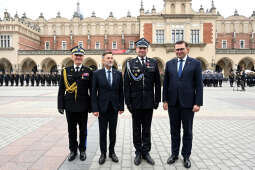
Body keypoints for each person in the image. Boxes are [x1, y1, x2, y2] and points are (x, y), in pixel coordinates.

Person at [163, 41, 203, 168]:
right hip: (173, 104)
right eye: (177, 50)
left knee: (188, 131)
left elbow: (199, 85)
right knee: (174, 131)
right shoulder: (169, 64)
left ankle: (186, 156)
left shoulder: (196, 64)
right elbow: (166, 84)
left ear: (187, 49)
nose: (179, 51)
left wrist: (198, 103)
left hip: (188, 104)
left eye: (181, 49)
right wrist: (164, 100)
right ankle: (174, 154)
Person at [124, 38, 161, 166]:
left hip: (149, 102)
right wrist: (128, 102)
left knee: (146, 128)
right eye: (140, 48)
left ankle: (146, 152)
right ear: (136, 49)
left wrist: (157, 100)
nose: (142, 50)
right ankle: (138, 152)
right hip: (135, 102)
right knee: (136, 128)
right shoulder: (130, 64)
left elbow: (157, 83)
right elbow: (126, 85)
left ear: (147, 50)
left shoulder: (153, 63)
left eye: (144, 48)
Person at [57, 46, 92, 162]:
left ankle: (82, 150)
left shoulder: (88, 71)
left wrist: (92, 106)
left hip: (83, 106)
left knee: (83, 130)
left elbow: (91, 90)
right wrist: (60, 105)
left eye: (80, 55)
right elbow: (61, 89)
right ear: (72, 57)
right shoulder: (66, 71)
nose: (78, 57)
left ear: (83, 57)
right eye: (76, 55)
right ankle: (73, 150)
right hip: (70, 106)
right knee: (71, 130)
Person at [91, 51, 124, 165]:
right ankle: (103, 153)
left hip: (114, 108)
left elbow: (121, 92)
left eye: (111, 58)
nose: (110, 60)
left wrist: (121, 106)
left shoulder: (118, 74)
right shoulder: (96, 74)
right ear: (103, 61)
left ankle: (112, 152)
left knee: (113, 132)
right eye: (108, 58)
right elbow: (94, 93)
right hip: (102, 108)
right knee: (103, 132)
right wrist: (94, 108)